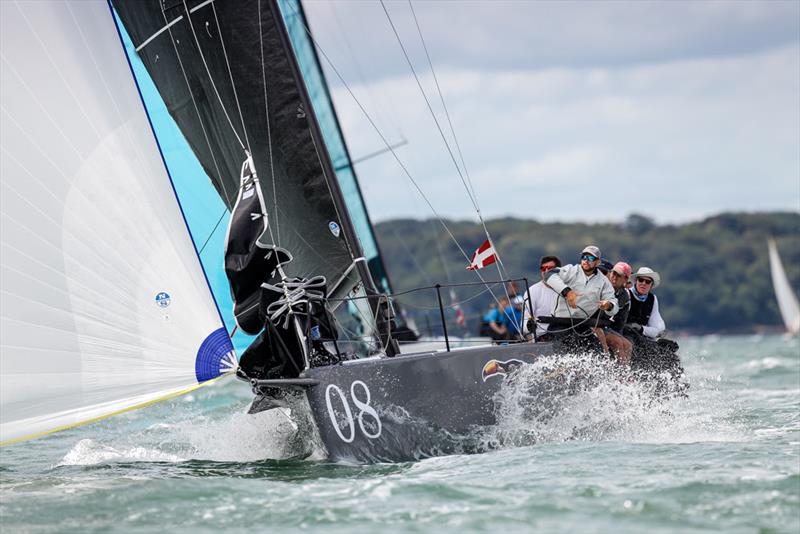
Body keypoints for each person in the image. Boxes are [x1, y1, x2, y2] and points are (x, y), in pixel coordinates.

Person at [543, 246, 618, 352]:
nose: (586, 261)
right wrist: (567, 291)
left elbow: (614, 304)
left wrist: (608, 305)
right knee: (569, 348)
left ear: (598, 262)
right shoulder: (571, 270)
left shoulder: (603, 281)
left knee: (598, 352)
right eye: (584, 257)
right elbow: (549, 275)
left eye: (591, 258)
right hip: (560, 324)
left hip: (582, 325)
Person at [593, 261, 634, 364]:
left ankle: (624, 373)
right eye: (613, 273)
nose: (614, 277)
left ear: (625, 279)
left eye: (619, 275)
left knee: (628, 345)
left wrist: (617, 335)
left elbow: (620, 322)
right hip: (590, 323)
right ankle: (620, 374)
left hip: (603, 326)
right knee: (617, 342)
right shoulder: (600, 286)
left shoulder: (624, 296)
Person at [522, 255, 561, 340]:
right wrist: (528, 326)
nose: (546, 271)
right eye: (543, 268)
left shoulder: (568, 289)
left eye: (550, 268)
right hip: (542, 338)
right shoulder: (532, 291)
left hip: (565, 335)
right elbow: (524, 322)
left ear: (558, 270)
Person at [627, 267, 666, 338]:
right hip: (625, 334)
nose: (643, 283)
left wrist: (641, 328)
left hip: (641, 335)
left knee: (669, 346)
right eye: (641, 280)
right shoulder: (627, 294)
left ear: (651, 285)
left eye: (647, 282)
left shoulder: (653, 299)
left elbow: (658, 329)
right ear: (636, 281)